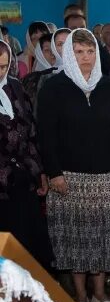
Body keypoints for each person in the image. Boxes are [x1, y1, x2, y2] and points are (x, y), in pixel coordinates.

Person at [36, 29, 110, 302]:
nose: (86, 58)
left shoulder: (107, 86)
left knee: (103, 238)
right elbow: (46, 136)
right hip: (69, 179)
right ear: (69, 55)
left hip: (108, 177)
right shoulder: (54, 88)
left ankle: (100, 294)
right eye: (79, 52)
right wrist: (54, 173)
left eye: (90, 52)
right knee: (75, 240)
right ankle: (80, 296)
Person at [0, 40, 53, 269]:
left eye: (3, 66)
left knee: (27, 243)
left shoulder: (15, 88)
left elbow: (31, 132)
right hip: (1, 187)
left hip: (23, 181)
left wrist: (39, 171)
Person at [21, 32, 59, 106]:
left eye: (55, 49)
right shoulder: (31, 80)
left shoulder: (72, 76)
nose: (52, 54)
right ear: (40, 53)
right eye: (47, 50)